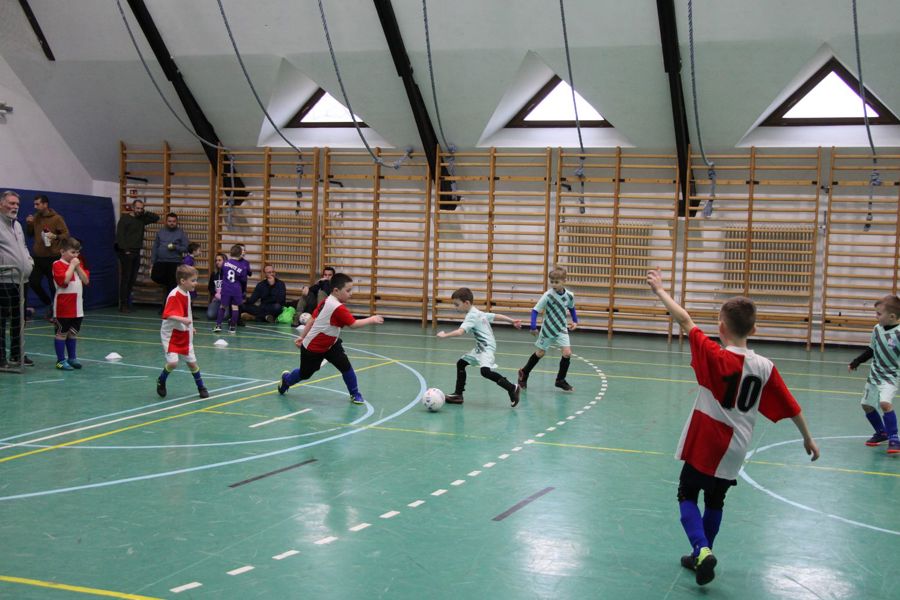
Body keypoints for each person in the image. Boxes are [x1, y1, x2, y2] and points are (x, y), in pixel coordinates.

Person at [645, 268, 819, 586]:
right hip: (737, 446)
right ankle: (702, 555)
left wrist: (660, 290)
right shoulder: (765, 367)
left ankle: (701, 550)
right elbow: (792, 406)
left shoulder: (714, 355)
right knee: (715, 500)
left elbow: (684, 320)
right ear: (754, 328)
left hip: (707, 439)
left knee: (687, 493)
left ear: (721, 327)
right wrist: (808, 438)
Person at [277, 273, 383, 405]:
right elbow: (353, 324)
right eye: (348, 290)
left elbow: (312, 319)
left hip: (331, 344)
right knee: (305, 374)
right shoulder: (336, 307)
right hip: (313, 348)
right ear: (336, 290)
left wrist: (302, 336)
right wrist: (372, 319)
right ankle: (287, 379)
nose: (351, 294)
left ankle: (355, 393)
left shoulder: (327, 300)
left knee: (345, 366)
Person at [437, 287, 523, 407]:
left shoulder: (472, 316)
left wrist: (445, 335)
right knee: (461, 363)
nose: (455, 307)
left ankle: (512, 388)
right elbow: (496, 316)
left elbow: (460, 332)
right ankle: (458, 394)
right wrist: (512, 321)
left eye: (457, 305)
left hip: (486, 347)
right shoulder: (477, 312)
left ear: (466, 303)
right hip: (481, 347)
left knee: (485, 372)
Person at [848, 294, 900, 454]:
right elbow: (871, 349)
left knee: (885, 403)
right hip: (875, 374)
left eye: (879, 313)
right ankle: (881, 432)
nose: (875, 316)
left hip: (891, 376)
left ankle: (894, 438)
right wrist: (857, 361)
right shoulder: (877, 329)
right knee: (866, 405)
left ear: (892, 317)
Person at [517, 266, 579, 392]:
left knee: (567, 353)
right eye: (552, 282)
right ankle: (524, 372)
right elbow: (535, 310)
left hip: (562, 329)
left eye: (557, 282)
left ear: (564, 281)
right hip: (548, 329)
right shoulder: (548, 296)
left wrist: (575, 321)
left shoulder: (569, 296)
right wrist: (533, 326)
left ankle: (560, 380)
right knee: (540, 353)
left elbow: (572, 308)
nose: (554, 285)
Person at [157, 264, 208, 399]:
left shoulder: (187, 293)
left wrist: (191, 327)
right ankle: (161, 380)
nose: (196, 283)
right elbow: (167, 314)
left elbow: (187, 313)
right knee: (173, 363)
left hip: (184, 333)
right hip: (171, 335)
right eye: (193, 280)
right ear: (183, 281)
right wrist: (183, 320)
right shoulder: (174, 295)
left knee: (192, 363)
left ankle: (201, 387)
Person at [0, 191, 34, 368]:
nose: (15, 207)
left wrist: (29, 261)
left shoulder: (18, 225)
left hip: (22, 280)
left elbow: (24, 246)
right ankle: (0, 358)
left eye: (17, 204)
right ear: (1, 204)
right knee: (1, 321)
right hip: (3, 281)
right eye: (11, 203)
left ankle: (16, 354)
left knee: (19, 321)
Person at [25, 194, 69, 316]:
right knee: (33, 282)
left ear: (45, 204)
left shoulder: (57, 218)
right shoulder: (36, 217)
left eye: (37, 204)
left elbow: (66, 235)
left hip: (53, 257)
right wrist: (29, 224)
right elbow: (29, 234)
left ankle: (56, 310)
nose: (35, 206)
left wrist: (55, 236)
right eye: (34, 204)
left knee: (53, 286)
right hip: (38, 257)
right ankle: (49, 303)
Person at [115, 199, 160, 312]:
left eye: (141, 208)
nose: (139, 210)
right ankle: (123, 304)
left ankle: (128, 302)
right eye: (137, 208)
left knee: (132, 278)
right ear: (132, 207)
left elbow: (156, 218)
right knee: (126, 278)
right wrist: (126, 250)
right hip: (126, 252)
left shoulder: (141, 219)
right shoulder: (125, 219)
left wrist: (145, 212)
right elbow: (120, 236)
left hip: (136, 251)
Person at [52, 237, 89, 370]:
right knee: (62, 333)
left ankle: (72, 358)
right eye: (72, 252)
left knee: (73, 333)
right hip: (63, 307)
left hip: (77, 307)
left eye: (77, 252)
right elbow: (64, 282)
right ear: (62, 251)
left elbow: (86, 280)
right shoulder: (57, 264)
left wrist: (77, 267)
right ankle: (60, 360)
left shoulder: (79, 265)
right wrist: (72, 266)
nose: (75, 256)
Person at [150, 213, 189, 308]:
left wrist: (175, 247)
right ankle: (167, 302)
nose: (172, 223)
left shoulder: (181, 233)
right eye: (170, 221)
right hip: (161, 262)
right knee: (155, 277)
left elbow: (186, 248)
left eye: (174, 221)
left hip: (174, 262)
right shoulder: (160, 232)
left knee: (171, 286)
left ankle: (167, 307)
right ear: (166, 221)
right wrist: (153, 261)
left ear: (177, 222)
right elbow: (155, 247)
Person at [215, 244, 250, 334]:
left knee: (222, 306)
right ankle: (232, 327)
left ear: (230, 253)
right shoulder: (242, 267)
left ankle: (218, 325)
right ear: (240, 254)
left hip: (226, 288)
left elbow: (223, 272)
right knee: (235, 307)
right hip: (236, 289)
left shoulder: (225, 263)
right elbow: (243, 280)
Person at [206, 252, 227, 321]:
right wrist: (216, 295)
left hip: (227, 301)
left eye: (219, 260)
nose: (217, 262)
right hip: (217, 300)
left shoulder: (229, 273)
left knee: (224, 316)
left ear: (225, 261)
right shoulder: (214, 274)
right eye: (216, 260)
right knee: (210, 315)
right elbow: (210, 287)